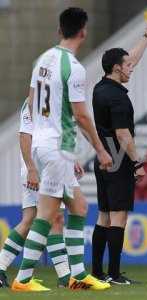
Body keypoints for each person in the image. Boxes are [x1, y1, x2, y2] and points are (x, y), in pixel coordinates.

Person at [12, 7, 113, 292]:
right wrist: (101, 150)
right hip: (56, 148)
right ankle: (23, 279)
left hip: (47, 145)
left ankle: (77, 275)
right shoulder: (74, 68)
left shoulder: (42, 60)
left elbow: (31, 102)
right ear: (83, 31)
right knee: (47, 214)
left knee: (79, 206)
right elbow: (81, 116)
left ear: (60, 30)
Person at [91, 21, 147, 285]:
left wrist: (146, 37)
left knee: (104, 216)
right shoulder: (118, 97)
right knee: (118, 216)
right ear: (117, 68)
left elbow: (131, 60)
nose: (132, 67)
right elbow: (123, 134)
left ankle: (96, 272)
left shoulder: (100, 88)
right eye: (127, 65)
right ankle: (115, 274)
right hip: (118, 161)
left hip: (102, 160)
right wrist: (137, 162)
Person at [0, 99, 79, 288]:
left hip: (42, 164)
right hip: (40, 167)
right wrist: (32, 169)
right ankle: (64, 277)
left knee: (29, 219)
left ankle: (1, 267)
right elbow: (24, 136)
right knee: (55, 218)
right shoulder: (36, 99)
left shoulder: (51, 95)